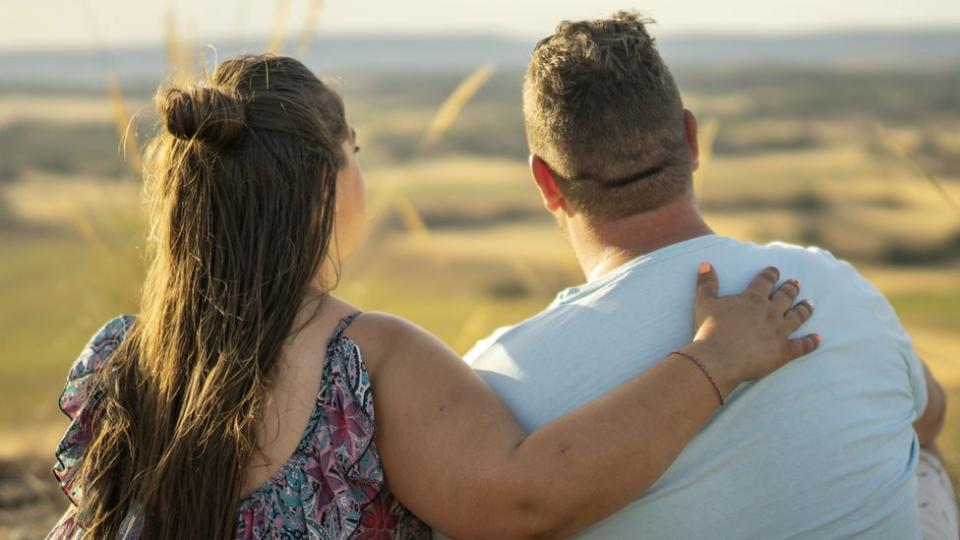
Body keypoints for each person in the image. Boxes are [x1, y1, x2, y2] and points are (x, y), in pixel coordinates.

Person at [46, 54, 820, 540]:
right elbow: (528, 500)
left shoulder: (121, 356)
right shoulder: (363, 359)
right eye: (355, 155)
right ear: (324, 186)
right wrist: (715, 360)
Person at [447, 11, 958, 540]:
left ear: (545, 182)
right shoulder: (833, 283)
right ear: (692, 139)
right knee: (920, 457)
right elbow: (928, 415)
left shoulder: (496, 385)